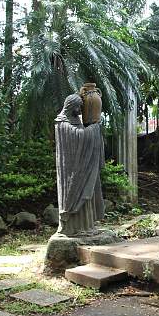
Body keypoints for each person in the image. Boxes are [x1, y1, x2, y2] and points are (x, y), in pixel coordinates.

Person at [54, 94, 105, 236]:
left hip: (82, 168)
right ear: (71, 106)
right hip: (71, 170)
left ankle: (86, 227)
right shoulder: (62, 123)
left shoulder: (76, 120)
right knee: (76, 195)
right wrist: (93, 129)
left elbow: (81, 133)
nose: (80, 110)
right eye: (78, 107)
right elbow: (79, 137)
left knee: (86, 195)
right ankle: (72, 229)